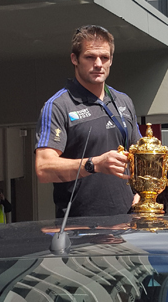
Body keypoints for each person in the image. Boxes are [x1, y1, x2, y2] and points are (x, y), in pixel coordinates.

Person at [35, 25, 141, 218]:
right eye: (90, 57)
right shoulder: (59, 106)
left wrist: (143, 193)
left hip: (127, 223)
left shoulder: (123, 101)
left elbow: (139, 155)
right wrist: (94, 164)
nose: (98, 64)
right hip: (80, 228)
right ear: (74, 59)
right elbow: (43, 169)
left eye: (105, 58)